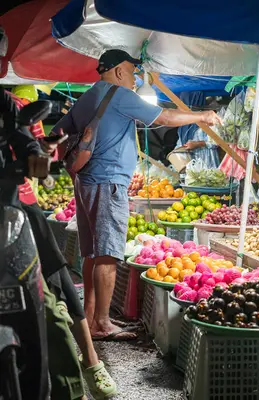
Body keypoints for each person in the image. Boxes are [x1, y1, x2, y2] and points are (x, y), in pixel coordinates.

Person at [51, 49, 222, 342]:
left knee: (92, 251)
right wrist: (203, 115)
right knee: (107, 254)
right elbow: (165, 117)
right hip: (109, 184)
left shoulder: (90, 95)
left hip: (86, 181)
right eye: (131, 72)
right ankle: (102, 323)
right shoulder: (119, 94)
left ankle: (90, 317)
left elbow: (57, 132)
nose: (134, 79)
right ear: (119, 71)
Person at [0, 89, 90, 399]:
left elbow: (21, 135)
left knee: (46, 298)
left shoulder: (6, 102)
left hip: (11, 211)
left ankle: (72, 387)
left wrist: (35, 154)